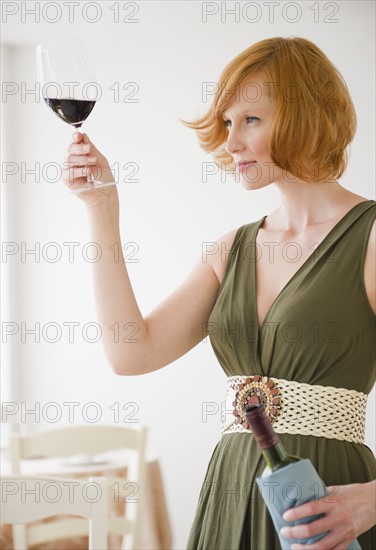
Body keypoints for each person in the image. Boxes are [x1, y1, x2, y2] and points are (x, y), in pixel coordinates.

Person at [62, 36, 376, 549]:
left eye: (251, 120)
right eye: (228, 123)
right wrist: (101, 207)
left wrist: (371, 500)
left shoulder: (369, 237)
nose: (231, 144)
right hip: (230, 494)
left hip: (330, 505)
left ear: (308, 116)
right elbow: (129, 352)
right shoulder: (231, 249)